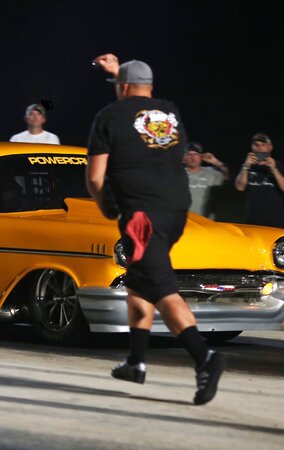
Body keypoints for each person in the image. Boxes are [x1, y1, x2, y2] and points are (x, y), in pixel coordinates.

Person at [86, 53, 226, 405]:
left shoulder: (107, 116)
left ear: (123, 87)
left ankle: (205, 358)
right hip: (175, 210)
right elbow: (137, 102)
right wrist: (120, 74)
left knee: (162, 288)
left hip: (140, 215)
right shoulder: (171, 112)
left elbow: (95, 177)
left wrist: (106, 205)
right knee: (138, 283)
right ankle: (136, 361)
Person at [234, 133, 284, 227]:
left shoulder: (280, 165)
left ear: (270, 147)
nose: (259, 148)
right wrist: (246, 166)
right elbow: (240, 187)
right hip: (252, 222)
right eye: (256, 145)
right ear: (252, 147)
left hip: (275, 223)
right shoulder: (247, 166)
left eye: (263, 145)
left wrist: (274, 169)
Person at [184, 142, 229, 218]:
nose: (192, 157)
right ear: (184, 158)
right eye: (189, 154)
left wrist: (215, 162)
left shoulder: (211, 173)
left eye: (196, 154)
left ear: (201, 157)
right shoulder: (178, 174)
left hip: (206, 221)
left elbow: (228, 176)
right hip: (184, 221)